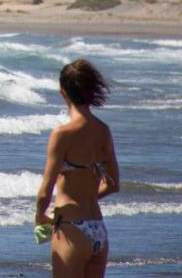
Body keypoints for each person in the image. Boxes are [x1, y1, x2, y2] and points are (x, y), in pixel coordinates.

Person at [34, 59, 120, 278]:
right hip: (98, 229)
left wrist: (40, 216)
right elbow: (113, 184)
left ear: (63, 93)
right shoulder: (103, 130)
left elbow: (45, 191)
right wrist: (88, 196)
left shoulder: (62, 134)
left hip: (71, 227)